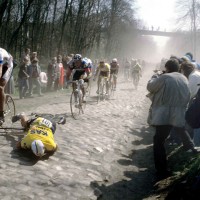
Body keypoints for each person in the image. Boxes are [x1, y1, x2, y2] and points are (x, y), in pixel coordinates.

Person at [147, 59, 198, 179]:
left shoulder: (165, 77)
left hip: (164, 115)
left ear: (167, 68)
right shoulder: (184, 78)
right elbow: (188, 95)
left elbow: (150, 87)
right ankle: (190, 147)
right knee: (180, 128)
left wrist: (155, 76)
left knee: (158, 141)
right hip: (179, 113)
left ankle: (162, 170)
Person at [180, 61, 200, 146]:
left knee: (190, 121)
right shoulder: (196, 73)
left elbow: (189, 92)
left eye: (183, 71)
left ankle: (191, 143)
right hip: (196, 99)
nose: (183, 73)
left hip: (196, 101)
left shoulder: (193, 76)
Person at [0, 48, 13, 124]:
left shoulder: (0, 53)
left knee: (0, 87)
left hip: (7, 65)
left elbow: (0, 70)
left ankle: (1, 115)